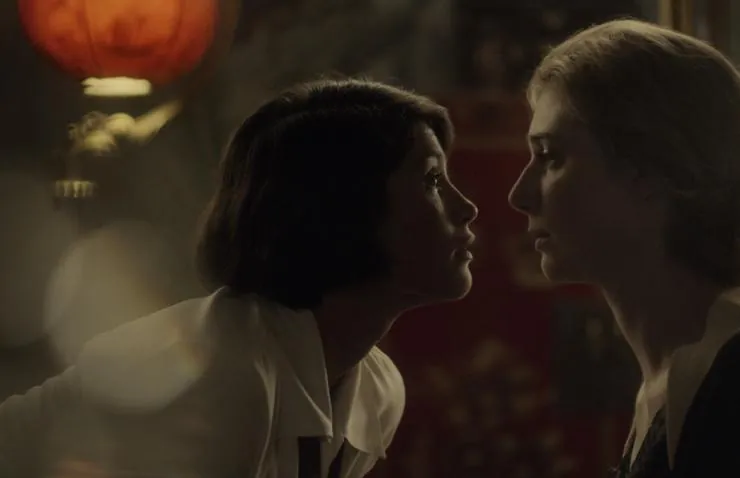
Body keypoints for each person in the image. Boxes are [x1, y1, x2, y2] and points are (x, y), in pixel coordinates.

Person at [0, 78, 478, 478]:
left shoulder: (376, 389)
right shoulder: (228, 370)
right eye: (432, 180)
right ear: (344, 206)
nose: (467, 208)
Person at [508, 19, 740, 478]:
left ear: (649, 167)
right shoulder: (678, 378)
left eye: (550, 156)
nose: (519, 194)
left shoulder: (728, 382)